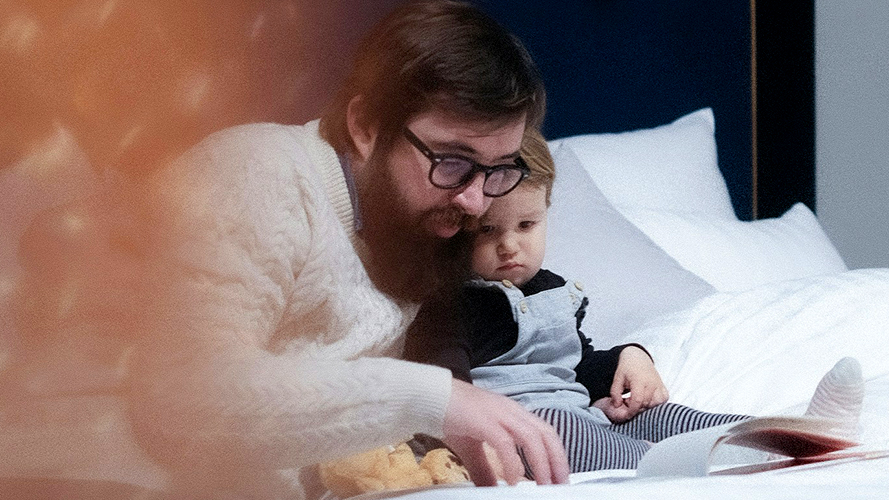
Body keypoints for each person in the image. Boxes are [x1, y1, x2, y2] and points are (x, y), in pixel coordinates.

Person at [68, 1, 569, 498]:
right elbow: (177, 397)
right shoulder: (252, 175)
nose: (476, 201)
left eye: (498, 168)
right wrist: (437, 399)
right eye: (454, 161)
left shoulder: (419, 227)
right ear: (366, 127)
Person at [404, 128, 866, 475]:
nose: (510, 246)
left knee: (661, 414)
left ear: (546, 212)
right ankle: (667, 466)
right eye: (488, 231)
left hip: (583, 418)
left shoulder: (554, 292)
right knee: (553, 426)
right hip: (512, 433)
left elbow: (579, 367)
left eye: (526, 226)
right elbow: (444, 390)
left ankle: (788, 433)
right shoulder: (451, 303)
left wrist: (631, 357)